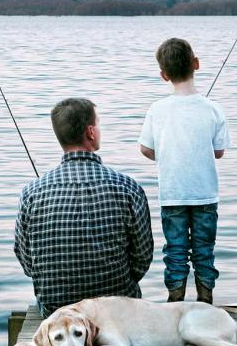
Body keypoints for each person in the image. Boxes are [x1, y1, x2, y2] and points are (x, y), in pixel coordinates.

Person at [15, 97, 153, 316]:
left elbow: (27, 263)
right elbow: (142, 257)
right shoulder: (127, 187)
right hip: (117, 310)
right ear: (90, 132)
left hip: (57, 311)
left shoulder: (31, 193)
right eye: (97, 124)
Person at [138, 37, 231, 303]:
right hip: (205, 196)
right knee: (204, 251)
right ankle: (205, 302)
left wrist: (165, 154)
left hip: (172, 195)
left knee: (175, 252)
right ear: (196, 64)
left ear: (163, 75)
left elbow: (145, 149)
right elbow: (219, 152)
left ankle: (174, 304)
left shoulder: (157, 109)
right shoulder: (213, 109)